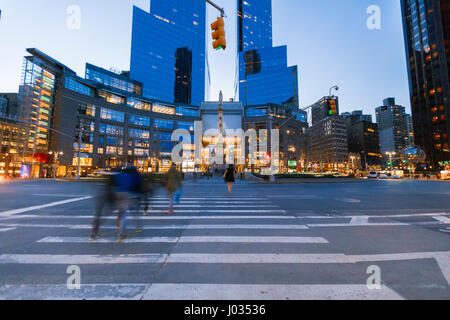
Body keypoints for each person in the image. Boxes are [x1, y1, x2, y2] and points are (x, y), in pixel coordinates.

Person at [89, 170, 119, 241]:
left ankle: (93, 233)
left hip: (101, 199)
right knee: (103, 216)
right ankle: (94, 233)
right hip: (109, 200)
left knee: (98, 216)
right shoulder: (114, 181)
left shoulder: (105, 182)